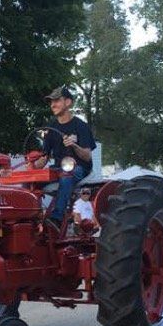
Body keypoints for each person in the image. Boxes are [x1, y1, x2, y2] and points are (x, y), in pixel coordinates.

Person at [34, 87, 96, 226]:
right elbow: (44, 156)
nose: (52, 105)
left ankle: (57, 218)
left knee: (66, 174)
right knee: (30, 181)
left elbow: (87, 156)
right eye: (51, 102)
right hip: (57, 168)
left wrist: (74, 146)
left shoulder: (81, 126)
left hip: (79, 168)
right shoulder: (51, 127)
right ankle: (31, 217)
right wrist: (35, 164)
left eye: (56, 100)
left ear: (68, 102)